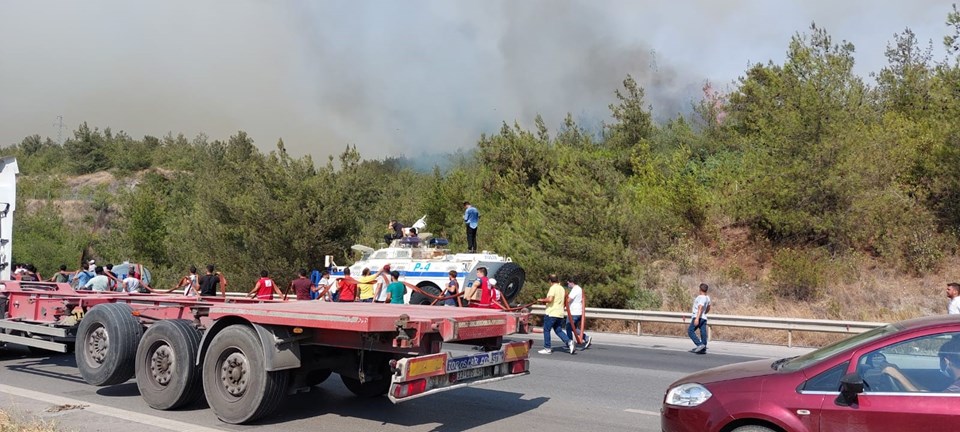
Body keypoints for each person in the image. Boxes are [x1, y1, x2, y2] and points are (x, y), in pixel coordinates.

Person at [537, 274, 574, 354]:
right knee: (558, 330)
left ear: (550, 281)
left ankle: (547, 348)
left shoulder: (553, 288)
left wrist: (542, 300)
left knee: (546, 330)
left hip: (551, 313)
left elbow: (550, 299)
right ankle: (569, 342)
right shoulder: (562, 289)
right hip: (560, 313)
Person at [566, 277, 593, 349]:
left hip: (573, 312)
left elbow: (568, 300)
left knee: (568, 327)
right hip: (579, 312)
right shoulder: (579, 289)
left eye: (568, 283)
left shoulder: (574, 290)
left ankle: (570, 343)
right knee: (573, 328)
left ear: (571, 282)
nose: (567, 284)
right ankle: (586, 337)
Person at [688, 283, 712, 354]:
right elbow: (709, 307)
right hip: (703, 317)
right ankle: (703, 347)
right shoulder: (707, 298)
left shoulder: (701, 297)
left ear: (700, 289)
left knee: (690, 331)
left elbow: (700, 307)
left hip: (697, 316)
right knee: (703, 332)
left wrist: (697, 318)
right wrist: (704, 313)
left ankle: (699, 344)